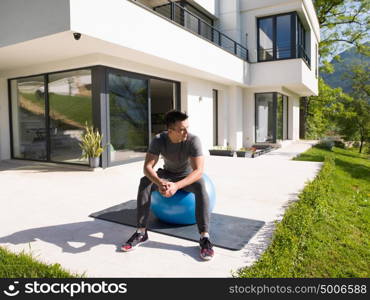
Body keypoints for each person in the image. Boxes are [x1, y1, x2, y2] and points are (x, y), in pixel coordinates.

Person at [121, 110, 214, 260]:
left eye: (187, 127)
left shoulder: (193, 140)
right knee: (144, 182)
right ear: (170, 131)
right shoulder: (159, 140)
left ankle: (204, 237)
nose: (186, 132)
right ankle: (141, 232)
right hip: (167, 173)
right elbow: (147, 167)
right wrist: (160, 182)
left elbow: (198, 171)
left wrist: (176, 186)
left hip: (186, 176)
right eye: (182, 129)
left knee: (201, 185)